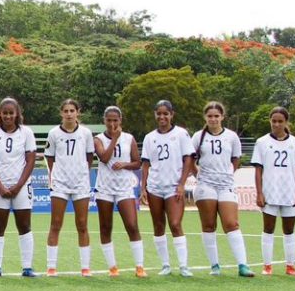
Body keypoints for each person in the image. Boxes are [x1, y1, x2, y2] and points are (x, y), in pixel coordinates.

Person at [192, 101, 253, 277]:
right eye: (210, 116)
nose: (213, 119)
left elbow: (235, 159)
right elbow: (189, 160)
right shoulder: (198, 136)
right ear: (205, 117)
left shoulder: (232, 137)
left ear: (222, 117)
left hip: (226, 184)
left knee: (231, 223)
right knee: (209, 225)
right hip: (205, 185)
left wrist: (229, 174)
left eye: (216, 116)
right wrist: (197, 175)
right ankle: (215, 266)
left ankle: (243, 265)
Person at [0, 97, 39, 278]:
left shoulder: (26, 133)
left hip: (21, 186)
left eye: (11, 113)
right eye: (5, 113)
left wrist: (18, 186)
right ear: (0, 114)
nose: (8, 116)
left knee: (24, 225)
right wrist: (0, 187)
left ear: (17, 114)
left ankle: (27, 267)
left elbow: (31, 161)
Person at [140, 100, 196, 277]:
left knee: (175, 223)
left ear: (172, 114)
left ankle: (183, 265)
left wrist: (181, 183)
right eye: (159, 113)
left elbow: (188, 159)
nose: (162, 116)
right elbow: (146, 164)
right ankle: (165, 265)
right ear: (155, 114)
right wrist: (143, 188)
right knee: (158, 225)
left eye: (166, 113)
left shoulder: (181, 134)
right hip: (155, 186)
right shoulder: (150, 137)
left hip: (173, 186)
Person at [43, 98, 95, 276]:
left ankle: (85, 267)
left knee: (82, 224)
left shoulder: (86, 133)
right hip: (60, 183)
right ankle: (51, 267)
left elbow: (89, 157)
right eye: (66, 111)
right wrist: (55, 174)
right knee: (56, 223)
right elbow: (49, 157)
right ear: (61, 113)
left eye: (72, 110)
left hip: (80, 183)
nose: (69, 114)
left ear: (77, 112)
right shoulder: (54, 133)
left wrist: (82, 173)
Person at [252, 107, 295, 276]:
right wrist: (259, 193)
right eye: (274, 121)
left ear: (286, 122)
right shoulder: (262, 142)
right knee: (268, 229)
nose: (276, 124)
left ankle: (290, 265)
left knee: (289, 230)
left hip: (289, 192)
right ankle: (267, 265)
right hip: (270, 191)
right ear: (270, 121)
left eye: (280, 121)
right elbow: (258, 170)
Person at [92, 105, 145, 277]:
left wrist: (125, 164)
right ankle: (113, 267)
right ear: (104, 121)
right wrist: (114, 139)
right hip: (105, 188)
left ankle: (139, 266)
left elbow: (138, 162)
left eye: (115, 120)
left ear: (120, 120)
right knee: (106, 227)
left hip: (124, 187)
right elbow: (104, 158)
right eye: (109, 120)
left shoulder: (129, 138)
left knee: (132, 225)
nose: (112, 123)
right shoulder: (98, 139)